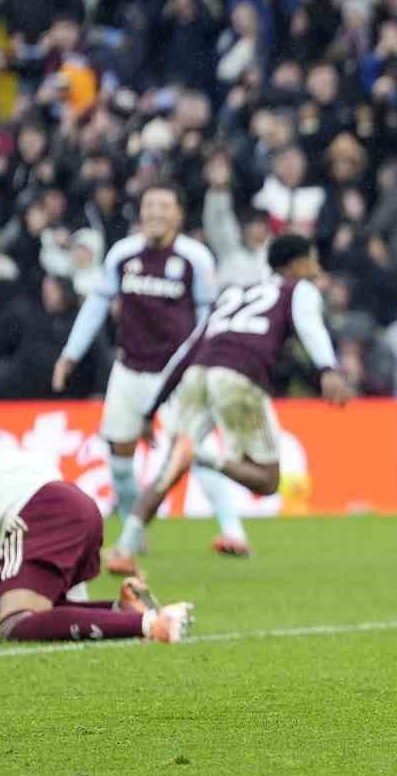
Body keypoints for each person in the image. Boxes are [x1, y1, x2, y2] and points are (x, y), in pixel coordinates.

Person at [105, 235, 353, 574]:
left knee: (169, 468)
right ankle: (204, 456)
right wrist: (328, 369)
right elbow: (310, 327)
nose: (317, 268)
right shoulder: (298, 289)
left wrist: (151, 409)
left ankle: (124, 548)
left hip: (198, 373)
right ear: (296, 265)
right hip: (238, 375)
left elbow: (188, 349)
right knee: (267, 481)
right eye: (312, 260)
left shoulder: (234, 293)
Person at [51, 185, 251, 557]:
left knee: (194, 450)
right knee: (119, 457)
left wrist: (206, 363)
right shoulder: (123, 253)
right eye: (149, 205)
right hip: (129, 369)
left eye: (163, 205)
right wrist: (70, 354)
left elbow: (207, 318)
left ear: (178, 214)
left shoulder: (195, 258)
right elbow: (97, 305)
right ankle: (133, 536)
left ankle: (233, 531)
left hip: (175, 374)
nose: (155, 212)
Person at [0, 399, 192, 643]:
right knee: (43, 608)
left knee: (16, 622)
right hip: (76, 503)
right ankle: (122, 610)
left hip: (37, 514)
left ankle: (152, 624)